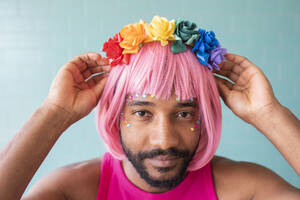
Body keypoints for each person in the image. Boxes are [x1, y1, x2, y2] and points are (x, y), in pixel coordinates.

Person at [0, 16, 299, 200]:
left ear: (204, 117)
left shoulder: (245, 189)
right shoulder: (71, 190)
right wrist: (54, 114)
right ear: (116, 114)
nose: (164, 140)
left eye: (184, 114)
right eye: (142, 112)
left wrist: (269, 115)